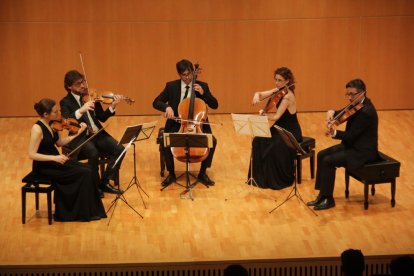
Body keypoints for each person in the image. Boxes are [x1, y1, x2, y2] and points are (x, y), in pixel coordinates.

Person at [28, 98, 106, 221]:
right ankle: (76, 214)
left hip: (57, 161)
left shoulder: (53, 124)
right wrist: (55, 157)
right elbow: (32, 154)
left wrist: (78, 133)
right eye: (56, 111)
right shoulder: (37, 129)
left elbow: (60, 143)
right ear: (45, 114)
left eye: (58, 110)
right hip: (45, 167)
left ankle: (90, 210)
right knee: (83, 173)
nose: (59, 113)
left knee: (88, 169)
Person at [307, 79, 379, 210]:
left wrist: (334, 132)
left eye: (352, 94)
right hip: (353, 145)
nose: (350, 98)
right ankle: (322, 195)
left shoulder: (366, 112)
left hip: (362, 152)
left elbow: (351, 136)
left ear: (363, 93)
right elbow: (340, 112)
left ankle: (328, 200)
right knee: (322, 154)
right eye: (348, 94)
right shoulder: (356, 104)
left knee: (329, 161)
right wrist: (331, 112)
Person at [153, 59, 219, 187]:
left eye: (189, 74)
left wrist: (204, 94)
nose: (188, 77)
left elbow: (215, 105)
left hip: (197, 124)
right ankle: (171, 174)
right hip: (177, 124)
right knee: (165, 140)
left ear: (193, 72)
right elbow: (156, 102)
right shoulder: (171, 86)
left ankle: (203, 173)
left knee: (213, 141)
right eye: (184, 75)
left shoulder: (202, 86)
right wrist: (166, 107)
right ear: (179, 74)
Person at [60, 70, 124, 197]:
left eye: (83, 82)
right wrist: (81, 110)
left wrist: (112, 107)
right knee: (93, 152)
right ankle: (94, 186)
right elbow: (67, 122)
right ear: (69, 87)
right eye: (78, 84)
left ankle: (104, 182)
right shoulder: (65, 102)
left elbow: (102, 117)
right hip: (81, 137)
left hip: (98, 134)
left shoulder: (91, 96)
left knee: (120, 149)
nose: (83, 86)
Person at [250, 67, 302, 189]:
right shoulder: (280, 90)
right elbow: (262, 94)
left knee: (274, 147)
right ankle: (261, 178)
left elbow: (277, 116)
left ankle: (278, 180)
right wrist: (256, 95)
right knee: (258, 140)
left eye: (280, 80)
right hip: (279, 127)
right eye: (276, 79)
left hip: (290, 131)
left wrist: (264, 113)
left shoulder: (288, 96)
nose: (277, 82)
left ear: (287, 81)